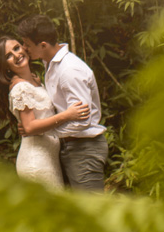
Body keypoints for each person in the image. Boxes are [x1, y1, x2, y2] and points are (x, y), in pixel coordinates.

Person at [17, 15, 107, 191]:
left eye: (27, 44)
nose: (24, 49)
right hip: (68, 147)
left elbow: (82, 120)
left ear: (43, 45)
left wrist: (42, 129)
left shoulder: (69, 71)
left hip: (84, 149)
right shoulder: (49, 63)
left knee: (91, 210)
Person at [0, 35, 90, 188]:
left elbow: (36, 120)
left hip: (48, 158)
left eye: (16, 48)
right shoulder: (20, 88)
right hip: (36, 162)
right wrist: (67, 115)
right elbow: (30, 127)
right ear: (5, 66)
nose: (16, 55)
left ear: (24, 47)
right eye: (9, 56)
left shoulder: (35, 79)